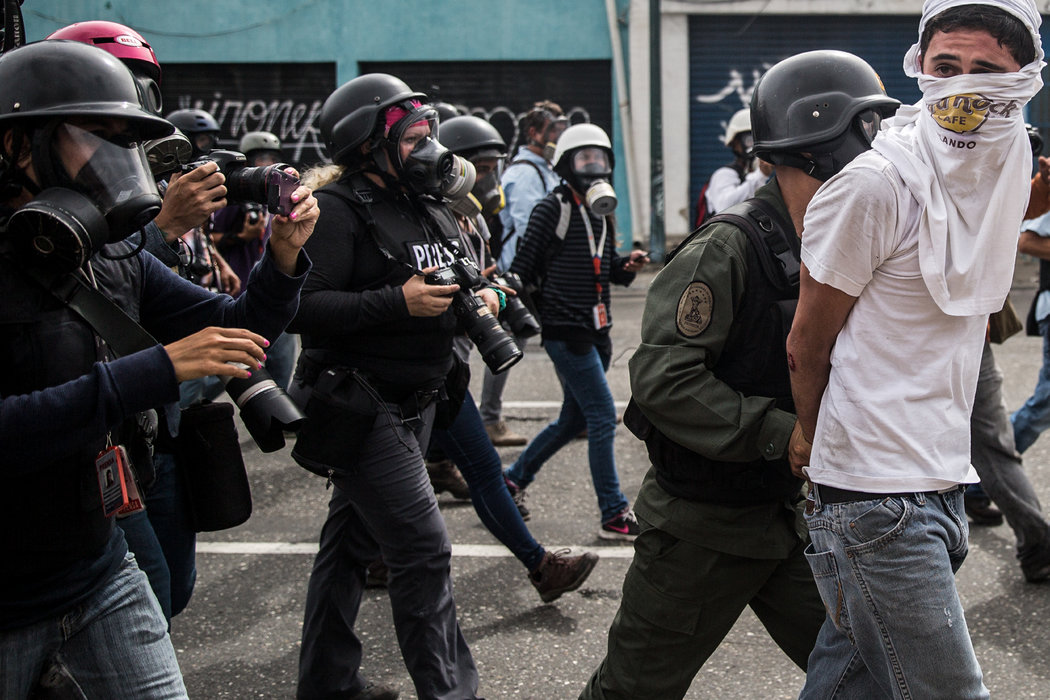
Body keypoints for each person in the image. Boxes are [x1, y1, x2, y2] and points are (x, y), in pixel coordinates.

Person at [0, 40, 315, 697]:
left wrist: (283, 261)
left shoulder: (114, 256)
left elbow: (237, 327)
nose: (118, 161)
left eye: (127, 141)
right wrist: (152, 372)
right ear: (17, 147)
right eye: (97, 138)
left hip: (97, 569)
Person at [578, 49, 897, 700]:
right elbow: (664, 377)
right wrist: (783, 435)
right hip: (703, 531)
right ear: (800, 160)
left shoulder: (838, 239)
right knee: (633, 691)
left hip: (789, 524)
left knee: (869, 675)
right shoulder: (728, 246)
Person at [786, 2, 1043, 696]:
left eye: (986, 71)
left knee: (848, 684)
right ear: (919, 70)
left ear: (1024, 80)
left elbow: (982, 215)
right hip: (875, 492)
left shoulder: (1008, 161)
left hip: (939, 478)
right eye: (945, 68)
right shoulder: (875, 183)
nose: (963, 90)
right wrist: (811, 435)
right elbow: (806, 341)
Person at [290, 73, 492, 700]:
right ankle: (452, 692)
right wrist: (397, 303)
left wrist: (482, 295)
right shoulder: (337, 213)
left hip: (419, 400)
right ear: (368, 146)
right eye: (413, 139)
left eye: (429, 134)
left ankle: (326, 685)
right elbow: (301, 309)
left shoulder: (427, 205)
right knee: (424, 550)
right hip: (358, 404)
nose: (430, 149)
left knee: (349, 544)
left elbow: (450, 280)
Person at [46, 20, 236, 624]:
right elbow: (98, 285)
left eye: (138, 97)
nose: (120, 121)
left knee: (175, 583)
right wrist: (165, 229)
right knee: (145, 586)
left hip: (156, 417)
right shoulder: (43, 215)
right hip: (98, 425)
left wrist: (284, 262)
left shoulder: (145, 176)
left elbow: (159, 286)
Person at [429, 114, 599, 602]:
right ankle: (540, 564)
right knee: (378, 504)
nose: (490, 178)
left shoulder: (475, 218)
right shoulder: (429, 215)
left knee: (475, 470)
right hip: (421, 370)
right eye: (479, 168)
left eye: (492, 167)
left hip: (449, 363)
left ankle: (540, 565)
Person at [503, 123, 649, 540]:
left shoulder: (598, 211)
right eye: (584, 158)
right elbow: (525, 266)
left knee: (572, 419)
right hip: (566, 333)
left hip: (597, 332)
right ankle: (613, 513)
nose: (593, 166)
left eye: (599, 158)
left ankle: (512, 479)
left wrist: (626, 265)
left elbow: (603, 272)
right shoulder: (553, 208)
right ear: (567, 164)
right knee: (602, 416)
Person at [482, 100, 568, 447]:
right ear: (533, 132)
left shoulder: (548, 169)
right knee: (507, 343)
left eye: (559, 131)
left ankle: (577, 412)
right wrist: (522, 278)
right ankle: (489, 419)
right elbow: (527, 230)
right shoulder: (523, 172)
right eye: (551, 130)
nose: (556, 136)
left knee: (562, 336)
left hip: (540, 276)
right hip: (523, 277)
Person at [209, 130, 298, 390]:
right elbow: (203, 239)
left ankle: (277, 425)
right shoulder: (234, 198)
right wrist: (239, 236)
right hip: (239, 293)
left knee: (281, 368)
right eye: (260, 157)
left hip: (271, 294)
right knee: (226, 375)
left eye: (271, 157)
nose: (266, 163)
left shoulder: (276, 198)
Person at [694, 108, 771, 226]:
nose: (753, 146)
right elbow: (725, 208)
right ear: (735, 143)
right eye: (749, 140)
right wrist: (760, 175)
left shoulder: (757, 176)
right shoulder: (724, 174)